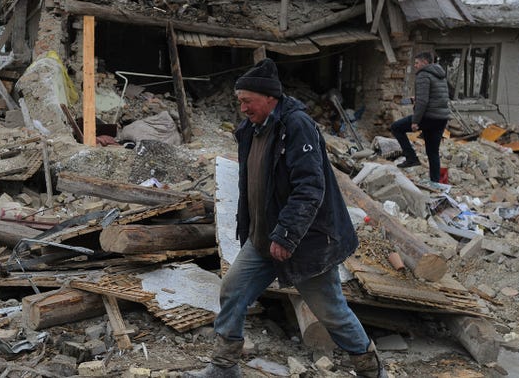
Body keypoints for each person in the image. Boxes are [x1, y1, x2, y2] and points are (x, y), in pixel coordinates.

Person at [185, 59, 386, 378]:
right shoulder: (251, 130)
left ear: (269, 98)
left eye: (247, 101)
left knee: (331, 312)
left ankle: (371, 371)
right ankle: (223, 368)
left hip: (306, 242)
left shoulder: (296, 126)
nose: (243, 108)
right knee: (233, 291)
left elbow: (310, 187)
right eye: (240, 101)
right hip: (263, 238)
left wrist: (287, 235)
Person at [390, 51, 450, 182]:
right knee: (433, 152)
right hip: (441, 118)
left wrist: (415, 121)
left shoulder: (423, 75)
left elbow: (423, 102)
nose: (415, 66)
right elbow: (437, 96)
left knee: (396, 127)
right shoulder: (440, 75)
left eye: (417, 63)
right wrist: (416, 99)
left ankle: (411, 158)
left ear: (425, 62)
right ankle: (435, 183)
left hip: (428, 117)